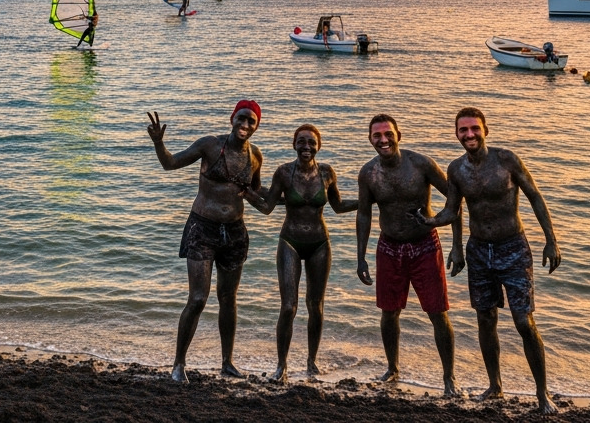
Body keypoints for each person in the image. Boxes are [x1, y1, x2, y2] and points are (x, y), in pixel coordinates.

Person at [417, 107, 562, 414]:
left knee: (524, 322)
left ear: (485, 129)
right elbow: (452, 210)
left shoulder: (506, 159)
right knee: (485, 319)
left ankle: (542, 393)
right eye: (462, 130)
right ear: (456, 134)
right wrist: (431, 222)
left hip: (513, 247)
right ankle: (495, 386)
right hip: (479, 250)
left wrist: (551, 240)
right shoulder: (456, 169)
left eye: (474, 128)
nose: (469, 134)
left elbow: (535, 195)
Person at [146, 101, 265, 383]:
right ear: (232, 118)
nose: (245, 125)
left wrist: (299, 198)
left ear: (257, 126)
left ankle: (227, 363)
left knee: (228, 299)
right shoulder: (210, 145)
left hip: (235, 232)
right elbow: (170, 163)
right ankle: (178, 365)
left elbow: (257, 192)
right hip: (203, 228)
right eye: (241, 119)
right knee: (198, 299)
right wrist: (158, 143)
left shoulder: (256, 156)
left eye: (252, 121)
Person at [355, 114, 461, 397]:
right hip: (389, 247)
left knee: (438, 313)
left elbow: (454, 199)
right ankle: (392, 368)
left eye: (387, 134)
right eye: (376, 135)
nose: (383, 140)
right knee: (389, 313)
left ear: (398, 135)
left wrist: (454, 241)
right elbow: (364, 214)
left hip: (425, 245)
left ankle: (449, 378)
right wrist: (360, 257)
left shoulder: (420, 164)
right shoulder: (368, 173)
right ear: (370, 139)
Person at [242, 124, 357, 382]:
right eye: (301, 142)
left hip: (319, 243)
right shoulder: (283, 173)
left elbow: (338, 206)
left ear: (319, 145)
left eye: (311, 142)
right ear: (294, 144)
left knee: (315, 307)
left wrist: (368, 201)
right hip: (290, 242)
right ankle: (281, 365)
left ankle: (311, 362)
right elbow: (267, 207)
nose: (306, 147)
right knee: (288, 307)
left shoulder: (327, 172)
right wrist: (246, 194)